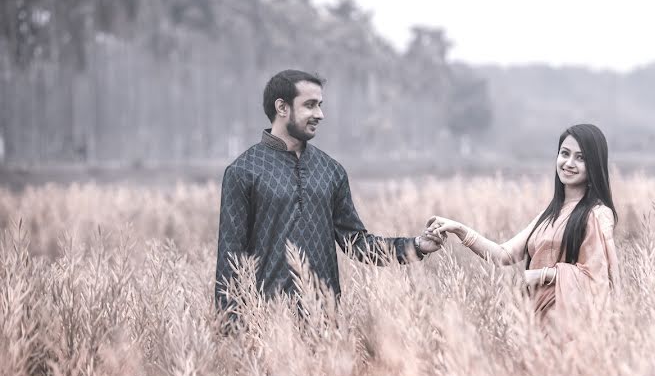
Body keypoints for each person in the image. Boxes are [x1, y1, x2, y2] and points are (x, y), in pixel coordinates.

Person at [215, 69, 442, 317]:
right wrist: (232, 335)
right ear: (282, 107)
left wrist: (417, 246)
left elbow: (357, 243)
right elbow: (230, 259)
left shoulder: (330, 170)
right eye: (310, 105)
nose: (319, 114)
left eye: (320, 105)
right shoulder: (243, 171)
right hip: (267, 325)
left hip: (325, 324)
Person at [428, 124, 620, 316]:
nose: (569, 163)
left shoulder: (597, 214)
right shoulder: (550, 214)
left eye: (580, 158)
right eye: (564, 153)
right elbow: (503, 255)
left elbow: (597, 280)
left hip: (570, 325)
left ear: (594, 165)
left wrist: (541, 275)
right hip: (537, 321)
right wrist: (459, 229)